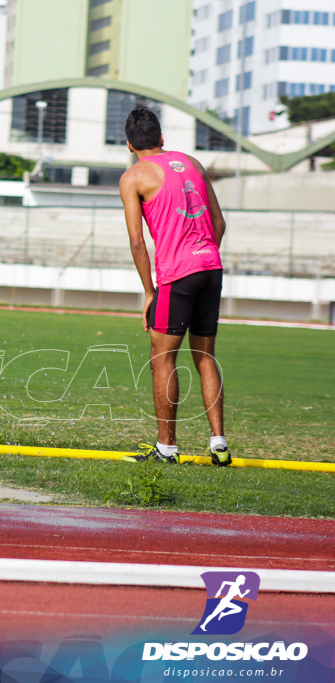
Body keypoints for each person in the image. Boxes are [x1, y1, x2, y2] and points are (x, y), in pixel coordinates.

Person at [118, 107, 230, 466]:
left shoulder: (133, 176)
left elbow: (137, 242)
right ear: (162, 139)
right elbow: (219, 222)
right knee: (205, 356)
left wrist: (150, 292)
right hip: (211, 265)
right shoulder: (190, 161)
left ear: (129, 144)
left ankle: (166, 448)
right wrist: (203, 257)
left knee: (161, 357)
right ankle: (218, 444)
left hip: (177, 274)